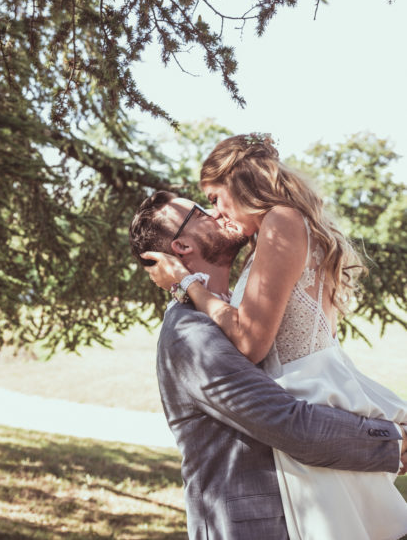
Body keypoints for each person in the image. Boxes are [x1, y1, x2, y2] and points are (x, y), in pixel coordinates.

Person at [141, 135, 407, 540]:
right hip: (304, 423)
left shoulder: (277, 225)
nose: (214, 213)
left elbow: (252, 344)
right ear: (181, 245)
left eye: (213, 199)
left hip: (316, 395)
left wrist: (189, 285)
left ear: (239, 183)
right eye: (202, 209)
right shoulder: (188, 332)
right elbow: (285, 416)